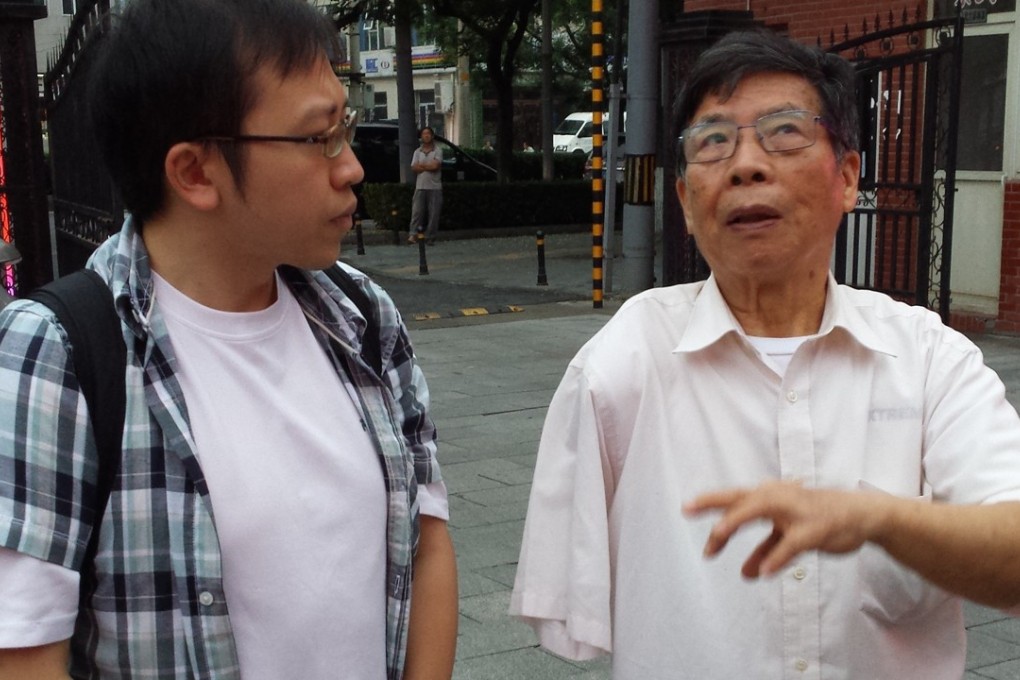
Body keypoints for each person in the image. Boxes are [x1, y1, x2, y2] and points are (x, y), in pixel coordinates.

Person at [510, 29, 1020, 680]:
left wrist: (880, 518)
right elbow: (569, 599)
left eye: (784, 133)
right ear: (686, 203)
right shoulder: (622, 365)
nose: (746, 164)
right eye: (713, 141)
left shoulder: (928, 359)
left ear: (848, 177)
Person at [0, 1, 457, 678]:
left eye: (346, 127)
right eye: (319, 138)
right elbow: (26, 649)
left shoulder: (362, 315)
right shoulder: (59, 351)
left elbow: (428, 544)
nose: (352, 166)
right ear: (193, 172)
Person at [407, 126, 443, 245]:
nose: (426, 136)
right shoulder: (417, 152)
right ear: (421, 136)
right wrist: (427, 166)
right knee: (417, 212)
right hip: (420, 186)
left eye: (428, 134)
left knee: (434, 213)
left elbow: (435, 166)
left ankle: (430, 236)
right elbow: (414, 167)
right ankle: (413, 234)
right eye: (424, 134)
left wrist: (422, 166)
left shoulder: (437, 151)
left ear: (432, 136)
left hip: (435, 187)